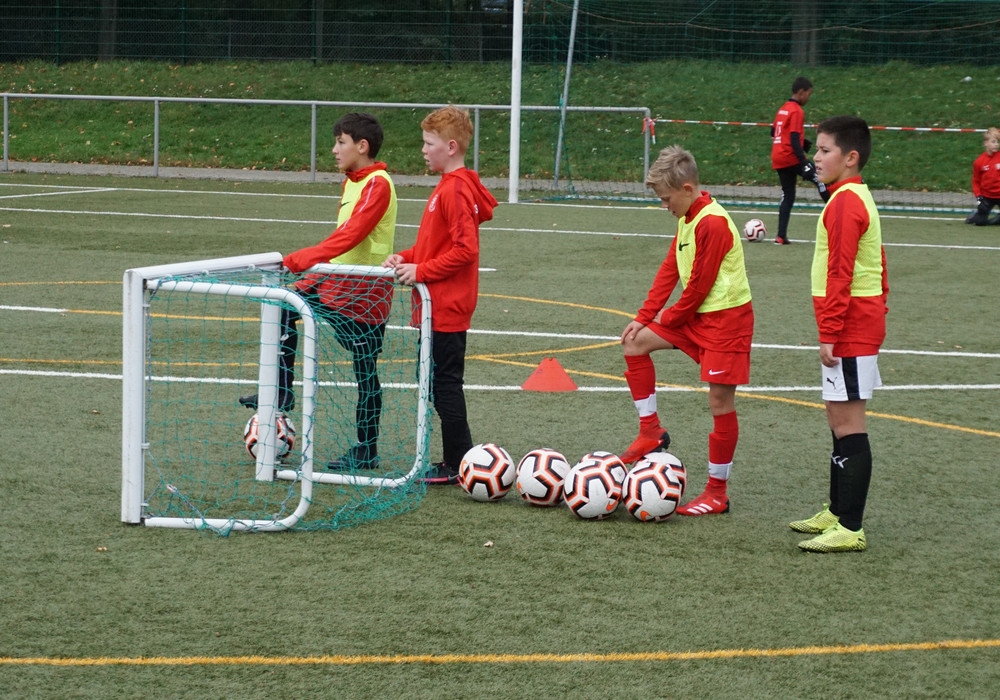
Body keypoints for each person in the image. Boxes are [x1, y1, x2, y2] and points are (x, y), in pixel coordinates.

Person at [239, 112, 397, 471]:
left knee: (365, 370)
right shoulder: (352, 182)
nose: (334, 150)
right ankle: (282, 391)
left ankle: (367, 447)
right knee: (282, 306)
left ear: (362, 146)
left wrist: (304, 258)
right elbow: (343, 238)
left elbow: (352, 235)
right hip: (335, 280)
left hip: (364, 293)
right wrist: (314, 267)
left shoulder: (378, 184)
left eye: (341, 142)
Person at [619, 145, 754, 516]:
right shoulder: (688, 216)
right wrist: (644, 316)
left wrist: (668, 318)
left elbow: (698, 287)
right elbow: (670, 268)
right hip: (697, 318)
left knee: (719, 403)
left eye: (666, 199)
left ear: (688, 189)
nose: (664, 206)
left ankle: (717, 493)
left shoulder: (712, 222)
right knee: (634, 343)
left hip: (727, 323)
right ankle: (650, 432)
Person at [383, 105, 498, 485]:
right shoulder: (449, 186)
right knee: (434, 381)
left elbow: (465, 250)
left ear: (450, 147)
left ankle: (459, 461)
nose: (423, 150)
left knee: (444, 383)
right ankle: (459, 459)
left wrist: (421, 271)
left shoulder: (456, 189)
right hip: (436, 304)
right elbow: (436, 246)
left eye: (428, 143)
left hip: (446, 305)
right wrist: (407, 257)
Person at [790, 115, 889, 553]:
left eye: (825, 149)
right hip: (857, 321)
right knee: (837, 418)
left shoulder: (847, 202)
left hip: (850, 326)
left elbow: (841, 272)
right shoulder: (850, 196)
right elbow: (880, 263)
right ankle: (837, 510)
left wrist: (830, 331)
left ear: (850, 158)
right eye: (817, 148)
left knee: (849, 423)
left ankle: (851, 527)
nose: (816, 156)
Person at [770, 76, 828, 244]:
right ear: (801, 92)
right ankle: (839, 219)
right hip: (791, 156)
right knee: (822, 181)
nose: (808, 98)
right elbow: (794, 138)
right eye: (809, 94)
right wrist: (804, 162)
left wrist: (803, 143)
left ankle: (780, 236)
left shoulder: (783, 109)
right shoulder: (796, 111)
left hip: (778, 156)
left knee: (788, 194)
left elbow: (774, 132)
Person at [965, 127, 1000, 225]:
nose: (996, 144)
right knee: (980, 222)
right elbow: (975, 181)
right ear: (985, 143)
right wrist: (979, 199)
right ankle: (974, 217)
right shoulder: (979, 162)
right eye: (993, 142)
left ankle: (997, 219)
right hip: (987, 196)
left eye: (997, 142)